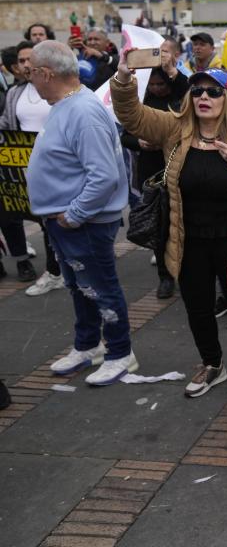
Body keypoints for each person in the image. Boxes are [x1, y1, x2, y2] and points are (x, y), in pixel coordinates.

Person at [112, 55, 227, 397]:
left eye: (212, 92)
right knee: (197, 304)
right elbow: (131, 116)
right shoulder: (174, 129)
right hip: (188, 237)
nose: (203, 98)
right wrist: (123, 79)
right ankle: (212, 364)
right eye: (197, 92)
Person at [25, 41, 138, 385]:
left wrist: (74, 214)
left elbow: (104, 176)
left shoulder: (83, 112)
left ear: (46, 73)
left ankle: (120, 353)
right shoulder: (66, 105)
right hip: (69, 222)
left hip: (83, 223)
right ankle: (89, 345)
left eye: (30, 72)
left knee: (100, 288)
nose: (28, 79)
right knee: (80, 287)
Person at [119, 37, 189, 299]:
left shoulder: (183, 98)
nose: (158, 88)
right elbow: (125, 133)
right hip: (152, 172)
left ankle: (184, 270)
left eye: (162, 83)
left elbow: (192, 95)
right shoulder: (143, 102)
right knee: (160, 227)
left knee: (182, 225)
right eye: (154, 84)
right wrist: (139, 141)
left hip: (180, 170)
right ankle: (165, 276)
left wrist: (174, 72)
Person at [0, 41, 55, 288]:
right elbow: (7, 123)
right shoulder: (15, 93)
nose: (24, 65)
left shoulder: (54, 88)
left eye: (28, 59)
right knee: (16, 213)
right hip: (24, 166)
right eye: (20, 61)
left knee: (51, 219)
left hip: (55, 164)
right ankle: (26, 261)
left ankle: (57, 269)